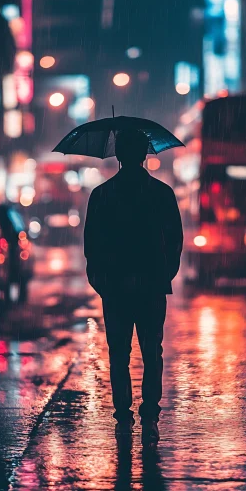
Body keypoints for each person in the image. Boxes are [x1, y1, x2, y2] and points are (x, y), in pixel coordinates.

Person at [84, 128, 183, 444]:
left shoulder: (101, 195)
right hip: (152, 286)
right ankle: (150, 416)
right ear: (144, 155)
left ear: (118, 155)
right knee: (152, 352)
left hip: (115, 288)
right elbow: (175, 242)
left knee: (119, 354)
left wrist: (102, 282)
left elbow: (92, 247)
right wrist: (163, 275)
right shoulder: (162, 193)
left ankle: (123, 418)